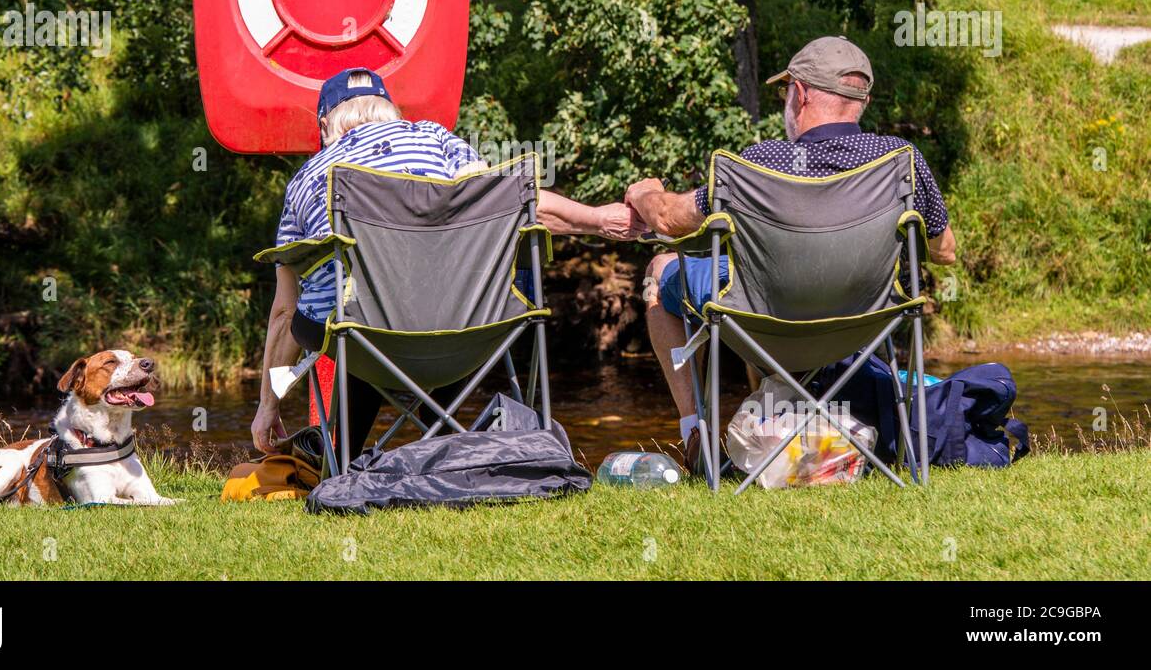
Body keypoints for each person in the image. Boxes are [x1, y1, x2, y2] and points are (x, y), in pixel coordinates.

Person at [251, 68, 644, 453]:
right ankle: (443, 445)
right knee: (458, 290)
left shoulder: (305, 179)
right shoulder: (433, 138)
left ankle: (342, 455)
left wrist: (268, 407)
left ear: (325, 124)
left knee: (346, 310)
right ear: (388, 109)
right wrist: (596, 219)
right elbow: (514, 204)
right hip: (465, 331)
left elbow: (284, 313)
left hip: (361, 340)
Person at [624, 36, 957, 472]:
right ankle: (779, 432)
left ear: (799, 93)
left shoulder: (758, 164)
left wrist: (646, 193)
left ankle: (695, 434)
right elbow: (944, 250)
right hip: (864, 326)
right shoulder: (900, 161)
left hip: (765, 322)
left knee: (663, 268)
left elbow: (670, 220)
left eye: (786, 91)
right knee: (746, 277)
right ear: (863, 99)